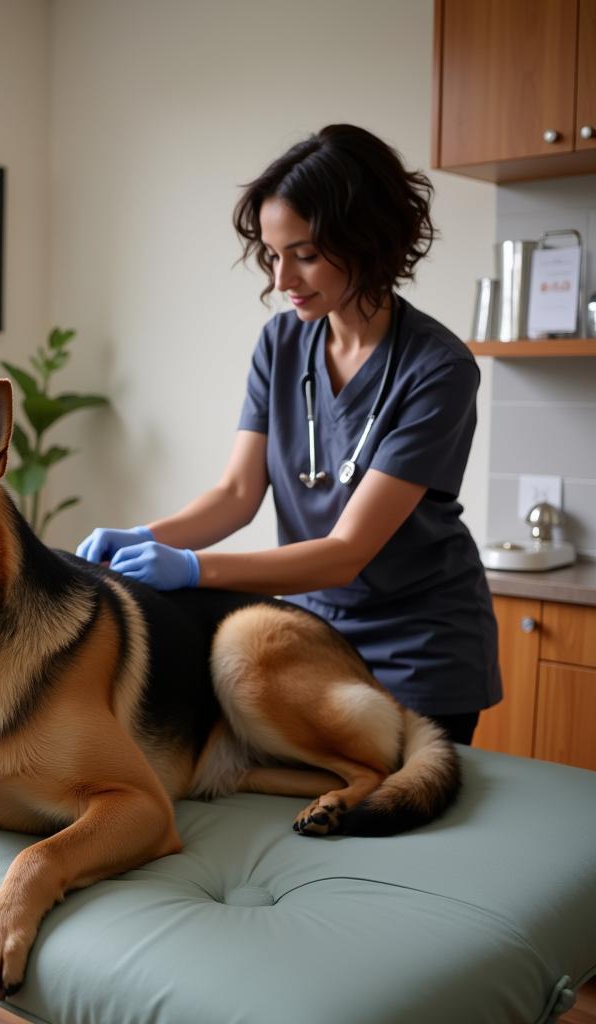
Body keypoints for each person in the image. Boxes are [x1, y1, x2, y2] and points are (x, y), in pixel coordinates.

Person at [76, 124, 500, 746]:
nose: (282, 279)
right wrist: (143, 539)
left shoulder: (438, 370)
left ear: (368, 240)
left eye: (303, 254)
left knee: (398, 810)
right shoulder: (281, 344)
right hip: (316, 627)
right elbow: (236, 495)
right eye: (274, 255)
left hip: (421, 645)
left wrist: (194, 569)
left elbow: (347, 550)